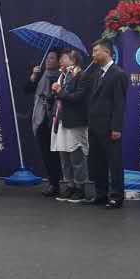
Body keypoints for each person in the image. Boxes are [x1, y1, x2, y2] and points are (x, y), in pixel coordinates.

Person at [84, 40, 128, 209]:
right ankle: (101, 194)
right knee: (98, 162)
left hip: (110, 127)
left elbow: (119, 104)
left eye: (96, 51)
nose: (93, 55)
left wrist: (116, 128)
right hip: (95, 126)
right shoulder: (97, 73)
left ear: (107, 52)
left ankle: (116, 197)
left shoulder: (118, 74)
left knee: (114, 163)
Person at [51, 49, 91, 204]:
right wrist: (56, 91)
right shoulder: (62, 75)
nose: (60, 61)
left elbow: (79, 97)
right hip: (61, 120)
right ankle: (69, 185)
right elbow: (59, 97)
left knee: (76, 156)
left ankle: (80, 188)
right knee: (64, 155)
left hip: (75, 122)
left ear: (73, 60)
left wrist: (60, 92)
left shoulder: (82, 75)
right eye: (60, 59)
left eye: (63, 58)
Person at [24, 50, 63, 198]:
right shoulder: (40, 74)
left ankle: (65, 183)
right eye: (47, 57)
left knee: (58, 154)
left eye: (52, 58)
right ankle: (53, 183)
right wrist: (33, 76)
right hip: (41, 118)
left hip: (56, 118)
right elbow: (26, 89)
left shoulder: (62, 76)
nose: (48, 60)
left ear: (59, 61)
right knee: (46, 153)